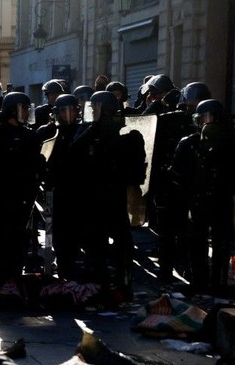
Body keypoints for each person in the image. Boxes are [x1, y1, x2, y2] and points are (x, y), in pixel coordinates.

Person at [69, 91, 146, 299]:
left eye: (95, 108)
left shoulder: (125, 134)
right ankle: (104, 285)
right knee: (98, 243)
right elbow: (74, 152)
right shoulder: (93, 131)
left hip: (112, 195)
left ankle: (120, 284)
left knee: (118, 244)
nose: (91, 112)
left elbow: (137, 167)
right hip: (96, 196)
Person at [0, 92, 44, 302]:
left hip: (19, 200)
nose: (25, 114)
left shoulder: (29, 135)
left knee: (15, 244)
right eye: (22, 109)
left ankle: (10, 285)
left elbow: (34, 166)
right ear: (11, 110)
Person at [170, 99, 235, 295]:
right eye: (202, 118)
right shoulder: (190, 143)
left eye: (207, 118)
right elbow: (177, 172)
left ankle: (217, 282)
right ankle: (200, 281)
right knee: (196, 242)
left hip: (220, 198)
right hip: (200, 199)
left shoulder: (232, 143)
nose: (204, 122)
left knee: (221, 243)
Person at [150, 82, 212, 284]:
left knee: (192, 235)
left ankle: (192, 274)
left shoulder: (213, 128)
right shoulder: (170, 122)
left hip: (193, 188)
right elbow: (158, 153)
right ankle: (172, 272)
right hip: (175, 186)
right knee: (172, 233)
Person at [40, 94, 85, 279]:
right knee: (54, 231)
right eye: (64, 110)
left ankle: (70, 263)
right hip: (54, 189)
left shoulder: (82, 131)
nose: (69, 114)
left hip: (76, 188)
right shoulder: (48, 132)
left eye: (72, 110)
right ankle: (57, 263)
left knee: (74, 230)